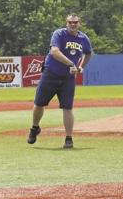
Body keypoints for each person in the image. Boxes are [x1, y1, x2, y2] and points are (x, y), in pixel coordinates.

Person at [27, 13, 92, 149]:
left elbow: (89, 53)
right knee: (39, 104)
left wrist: (80, 67)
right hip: (50, 74)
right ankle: (35, 128)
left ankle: (69, 138)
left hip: (68, 79)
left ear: (79, 24)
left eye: (75, 22)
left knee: (67, 108)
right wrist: (71, 64)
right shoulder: (59, 34)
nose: (73, 25)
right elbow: (54, 52)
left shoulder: (83, 38)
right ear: (66, 23)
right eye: (70, 22)